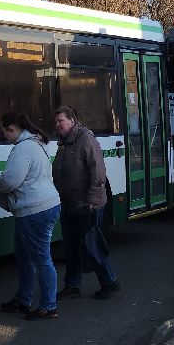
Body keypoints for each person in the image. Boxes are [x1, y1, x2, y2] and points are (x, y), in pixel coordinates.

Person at [0, 111, 63, 320]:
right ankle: (23, 299)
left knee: (41, 258)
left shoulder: (23, 149)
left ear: (12, 128)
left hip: (34, 210)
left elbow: (10, 182)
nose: (4, 136)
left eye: (4, 131)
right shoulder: (36, 143)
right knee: (24, 257)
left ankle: (49, 306)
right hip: (43, 206)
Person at [52, 105, 122, 299]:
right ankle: (72, 285)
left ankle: (109, 281)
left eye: (61, 121)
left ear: (72, 121)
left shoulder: (86, 140)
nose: (57, 124)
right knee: (71, 247)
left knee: (92, 246)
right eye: (56, 121)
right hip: (69, 204)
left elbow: (98, 172)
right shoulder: (64, 143)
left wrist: (93, 198)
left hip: (87, 205)